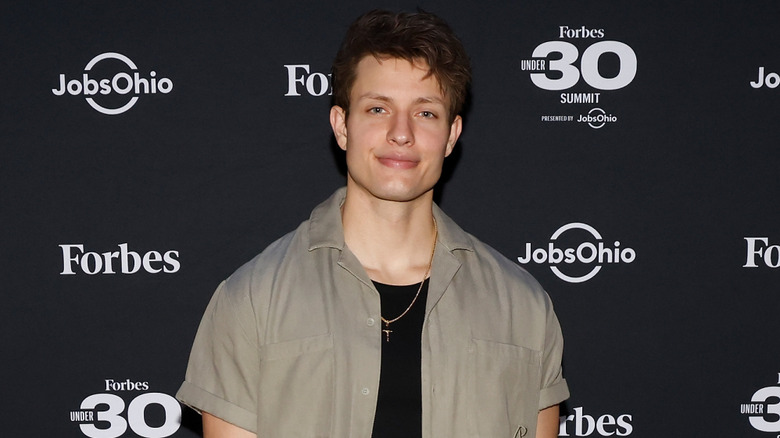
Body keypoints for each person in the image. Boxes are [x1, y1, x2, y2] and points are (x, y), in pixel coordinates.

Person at [177, 9, 569, 438]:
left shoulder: (522, 307)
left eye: (425, 113)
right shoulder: (251, 301)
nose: (401, 133)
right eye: (378, 108)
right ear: (342, 125)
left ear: (452, 135)